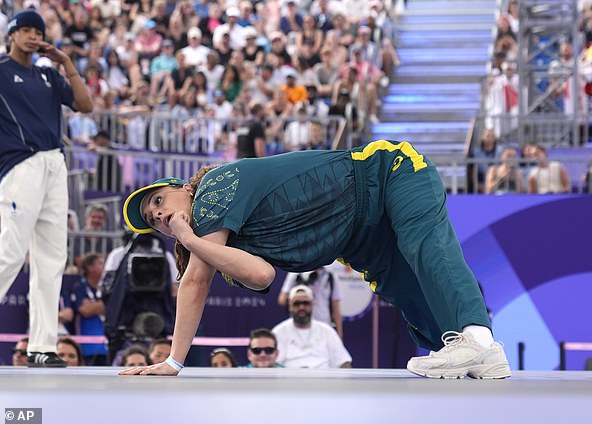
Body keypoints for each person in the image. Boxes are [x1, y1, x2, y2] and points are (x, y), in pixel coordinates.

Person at [119, 139, 511, 379]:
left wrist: (173, 362)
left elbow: (196, 282)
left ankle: (477, 336)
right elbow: (260, 276)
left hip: (385, 174)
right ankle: (475, 354)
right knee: (409, 294)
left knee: (426, 249)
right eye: (154, 222)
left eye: (157, 202)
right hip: (358, 238)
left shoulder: (215, 186)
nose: (157, 215)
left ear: (183, 188)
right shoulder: (217, 245)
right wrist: (193, 241)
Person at [0, 10, 93, 367]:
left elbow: (85, 105)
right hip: (20, 164)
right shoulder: (2, 70)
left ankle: (42, 347)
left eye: (37, 31)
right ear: (11, 34)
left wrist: (67, 63)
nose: (32, 36)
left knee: (52, 258)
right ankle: (40, 345)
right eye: (24, 29)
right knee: (10, 251)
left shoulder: (48, 74)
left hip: (55, 161)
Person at [273, 285, 351, 368]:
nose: (301, 307)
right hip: (290, 379)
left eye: (306, 303)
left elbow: (343, 362)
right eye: (297, 304)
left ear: (313, 305)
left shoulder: (327, 331)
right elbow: (274, 364)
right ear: (290, 306)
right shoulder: (279, 332)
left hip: (324, 379)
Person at [278, 266, 343, 338]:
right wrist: (301, 287)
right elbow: (282, 300)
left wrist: (339, 334)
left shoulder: (330, 276)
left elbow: (336, 307)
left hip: (323, 325)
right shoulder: (296, 272)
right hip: (300, 324)